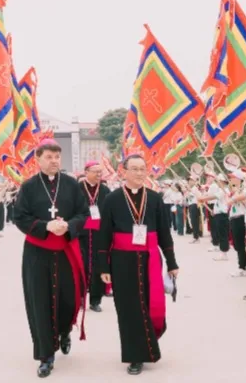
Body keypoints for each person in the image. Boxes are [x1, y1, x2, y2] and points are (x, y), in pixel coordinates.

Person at [12, 139, 89, 378]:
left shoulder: (72, 184)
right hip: (38, 253)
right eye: (49, 157)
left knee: (68, 298)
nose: (54, 161)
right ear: (38, 159)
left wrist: (68, 225)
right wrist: (46, 226)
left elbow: (83, 213)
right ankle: (46, 355)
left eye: (57, 157)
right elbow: (20, 217)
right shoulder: (28, 187)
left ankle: (65, 331)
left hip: (66, 250)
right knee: (40, 302)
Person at [97, 154, 179, 376]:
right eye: (134, 169)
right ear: (124, 171)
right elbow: (104, 234)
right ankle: (135, 356)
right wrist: (103, 267)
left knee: (149, 304)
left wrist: (172, 262)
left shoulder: (154, 198)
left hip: (150, 258)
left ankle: (147, 347)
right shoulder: (112, 199)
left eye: (143, 169)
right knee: (128, 308)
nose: (140, 173)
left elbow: (164, 232)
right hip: (122, 260)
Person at [78, 161, 110, 313]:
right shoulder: (77, 189)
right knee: (81, 266)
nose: (99, 174)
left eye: (100, 172)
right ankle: (80, 297)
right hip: (81, 233)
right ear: (86, 172)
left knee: (99, 267)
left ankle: (95, 300)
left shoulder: (105, 190)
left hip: (99, 233)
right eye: (95, 171)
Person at [225, 169, 246, 277]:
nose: (230, 180)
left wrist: (237, 196)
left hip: (241, 217)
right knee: (236, 243)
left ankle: (242, 267)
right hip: (234, 218)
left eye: (233, 177)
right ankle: (241, 266)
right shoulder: (233, 190)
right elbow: (227, 202)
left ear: (239, 179)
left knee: (240, 244)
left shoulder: (245, 190)